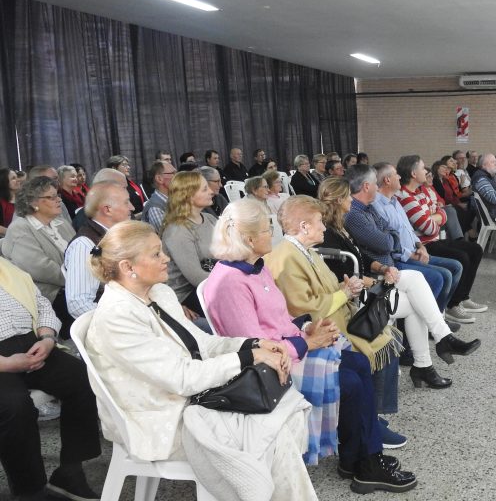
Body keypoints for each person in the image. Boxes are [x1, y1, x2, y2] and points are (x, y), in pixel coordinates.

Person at [85, 221, 316, 500]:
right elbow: (181, 378)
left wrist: (253, 344)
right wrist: (249, 357)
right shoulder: (117, 315)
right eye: (156, 254)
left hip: (194, 398)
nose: (166, 259)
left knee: (282, 416)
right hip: (160, 417)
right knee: (273, 432)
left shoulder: (158, 293)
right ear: (127, 267)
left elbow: (202, 344)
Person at [265, 196, 418, 494]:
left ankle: (357, 454)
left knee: (371, 353)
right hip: (317, 332)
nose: (325, 227)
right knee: (361, 365)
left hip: (331, 323)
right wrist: (344, 293)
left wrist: (347, 287)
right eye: (319, 222)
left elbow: (323, 291)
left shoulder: (304, 251)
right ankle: (366, 455)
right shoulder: (285, 259)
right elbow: (304, 310)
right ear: (304, 226)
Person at [203, 199, 342, 465]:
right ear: (249, 239)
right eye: (268, 230)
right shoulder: (230, 283)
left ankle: (362, 447)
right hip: (268, 366)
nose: (273, 234)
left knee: (355, 363)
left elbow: (279, 316)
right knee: (351, 375)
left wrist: (306, 327)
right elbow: (256, 346)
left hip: (287, 345)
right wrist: (307, 344)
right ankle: (360, 455)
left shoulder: (257, 266)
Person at [319, 177, 479, 388]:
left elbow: (361, 256)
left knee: (415, 288)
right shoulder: (328, 234)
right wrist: (377, 279)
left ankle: (431, 355)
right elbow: (342, 275)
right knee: (415, 292)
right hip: (356, 295)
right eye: (348, 195)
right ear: (339, 200)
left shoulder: (341, 227)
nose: (351, 198)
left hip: (367, 284)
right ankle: (433, 352)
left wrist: (383, 269)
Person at [0, 257, 101, 501]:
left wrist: (47, 338)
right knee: (15, 406)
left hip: (32, 343)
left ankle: (69, 472)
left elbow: (41, 303)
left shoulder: (7, 268)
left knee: (83, 378)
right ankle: (30, 491)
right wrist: (6, 364)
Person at [395, 156, 488, 318]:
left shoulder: (420, 192)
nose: (426, 171)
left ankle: (463, 297)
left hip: (433, 239)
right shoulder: (406, 197)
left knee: (475, 249)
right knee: (462, 257)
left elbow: (441, 212)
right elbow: (429, 227)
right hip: (423, 244)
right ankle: (452, 305)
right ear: (413, 174)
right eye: (423, 168)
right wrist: (436, 218)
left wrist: (435, 217)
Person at [1, 176, 77, 337]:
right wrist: (80, 279)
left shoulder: (61, 223)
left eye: (58, 195)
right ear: (33, 203)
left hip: (74, 287)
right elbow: (42, 268)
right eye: (52, 197)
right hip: (48, 296)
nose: (59, 200)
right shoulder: (20, 229)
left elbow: (79, 253)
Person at [64, 181, 134, 318]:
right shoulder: (85, 245)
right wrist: (122, 319)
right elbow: (79, 303)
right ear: (107, 209)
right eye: (126, 202)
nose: (132, 207)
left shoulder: (115, 236)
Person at [161, 171, 217, 325]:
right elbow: (197, 278)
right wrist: (234, 280)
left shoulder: (210, 219)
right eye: (204, 189)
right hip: (187, 295)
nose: (211, 191)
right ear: (189, 196)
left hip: (212, 283)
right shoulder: (177, 231)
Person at [141, 159, 177, 232]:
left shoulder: (174, 198)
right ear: (159, 179)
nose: (177, 176)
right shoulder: (155, 208)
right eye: (173, 173)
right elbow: (170, 235)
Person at [0, 167, 20, 236]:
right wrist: (12, 233)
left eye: (17, 177)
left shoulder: (22, 199)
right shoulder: (1, 202)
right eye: (13, 178)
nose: (18, 180)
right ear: (4, 182)